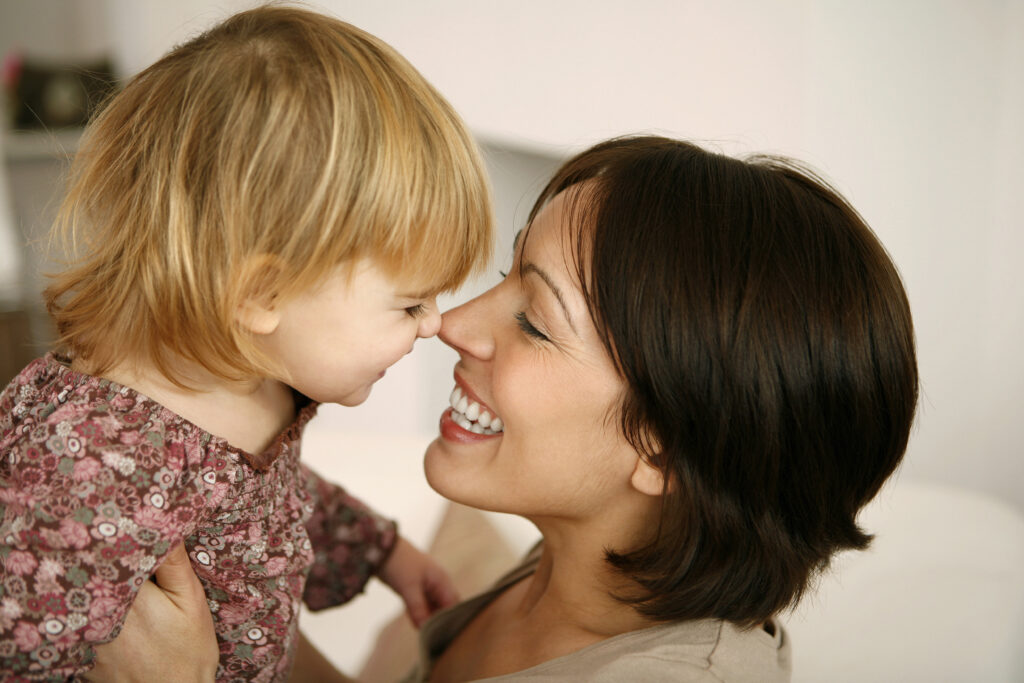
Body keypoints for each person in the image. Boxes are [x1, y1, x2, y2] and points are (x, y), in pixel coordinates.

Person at [94, 135, 919, 682]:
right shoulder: (576, 573)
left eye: (534, 319)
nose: (452, 324)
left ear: (663, 447)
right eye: (506, 273)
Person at [0, 5, 492, 681]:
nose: (434, 324)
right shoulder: (95, 466)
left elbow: (269, 504)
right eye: (410, 302)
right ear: (262, 295)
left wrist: (381, 551)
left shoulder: (240, 389)